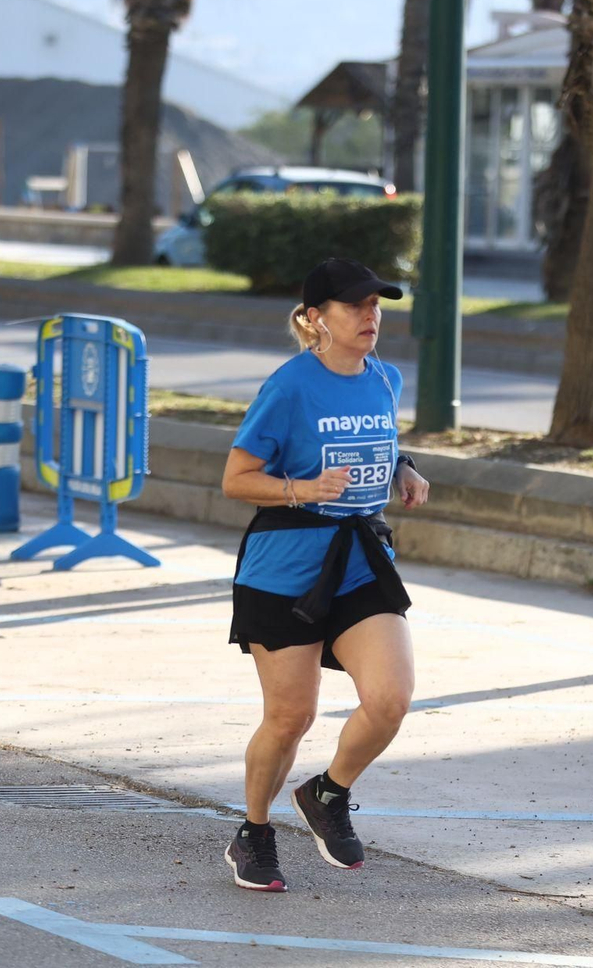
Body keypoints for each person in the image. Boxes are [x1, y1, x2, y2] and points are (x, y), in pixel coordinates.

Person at [219, 258, 431, 893]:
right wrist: (301, 487)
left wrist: (404, 469)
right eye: (355, 306)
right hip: (285, 567)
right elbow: (235, 479)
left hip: (360, 562)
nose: (371, 316)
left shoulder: (385, 378)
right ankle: (253, 833)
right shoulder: (288, 387)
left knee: (390, 699)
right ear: (316, 319)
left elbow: (378, 439)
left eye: (377, 305)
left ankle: (328, 792)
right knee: (290, 718)